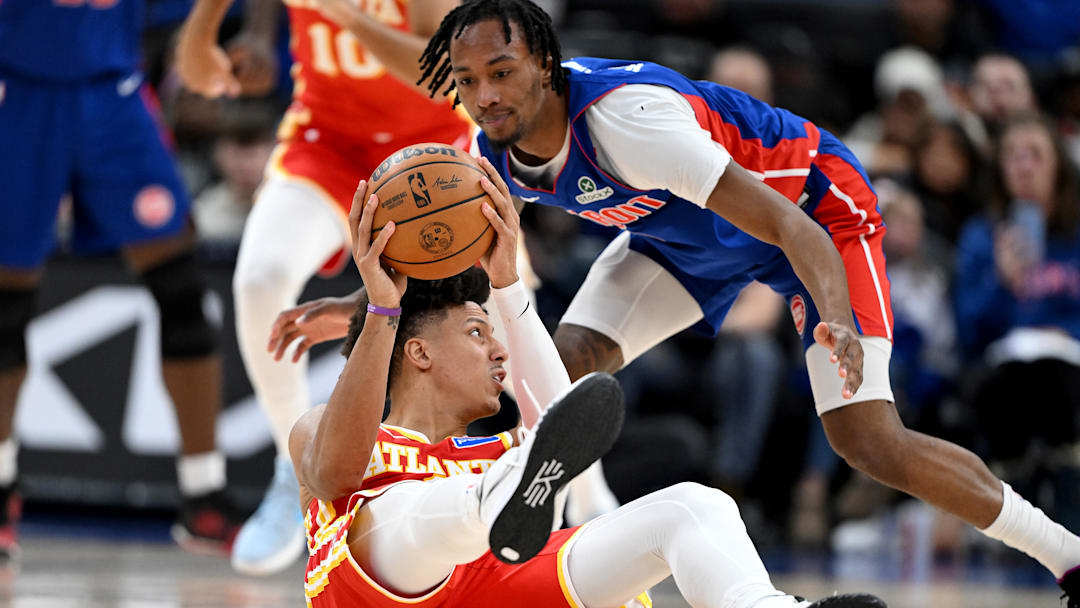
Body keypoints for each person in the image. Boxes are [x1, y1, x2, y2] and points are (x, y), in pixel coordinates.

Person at [283, 0, 1080, 599]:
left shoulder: (632, 124)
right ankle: (556, 510)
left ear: (546, 67)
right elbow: (450, 241)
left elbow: (785, 222)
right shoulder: (490, 143)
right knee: (560, 367)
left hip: (809, 213)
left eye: (501, 73)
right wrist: (356, 306)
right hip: (682, 241)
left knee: (868, 439)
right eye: (468, 82)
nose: (484, 95)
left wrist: (831, 313)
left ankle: (1064, 553)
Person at [295, 161, 886, 608]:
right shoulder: (326, 430)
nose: (501, 349)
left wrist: (504, 282)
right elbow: (333, 477)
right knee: (401, 509)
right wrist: (381, 306)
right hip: (380, 590)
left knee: (692, 505)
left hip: (504, 577)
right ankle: (492, 502)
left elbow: (568, 409)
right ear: (417, 350)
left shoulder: (508, 448)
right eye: (479, 333)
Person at [176, 0, 475, 574]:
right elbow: (199, 74)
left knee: (500, 318)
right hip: (326, 140)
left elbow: (441, 78)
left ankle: (579, 499)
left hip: (430, 152)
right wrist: (224, 25)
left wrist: (347, 17)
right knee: (260, 280)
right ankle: (298, 468)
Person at [0, 0, 240, 560]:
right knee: (6, 308)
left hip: (114, 94)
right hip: (20, 94)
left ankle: (204, 494)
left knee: (182, 290)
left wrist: (209, 44)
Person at [955, 113, 1080, 533]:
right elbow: (969, 329)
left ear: (1058, 166)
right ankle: (1022, 505)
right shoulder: (980, 235)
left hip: (1069, 362)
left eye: (1035, 155)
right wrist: (1002, 283)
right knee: (1016, 381)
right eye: (1012, 156)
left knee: (1055, 379)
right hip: (1004, 366)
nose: (1024, 166)